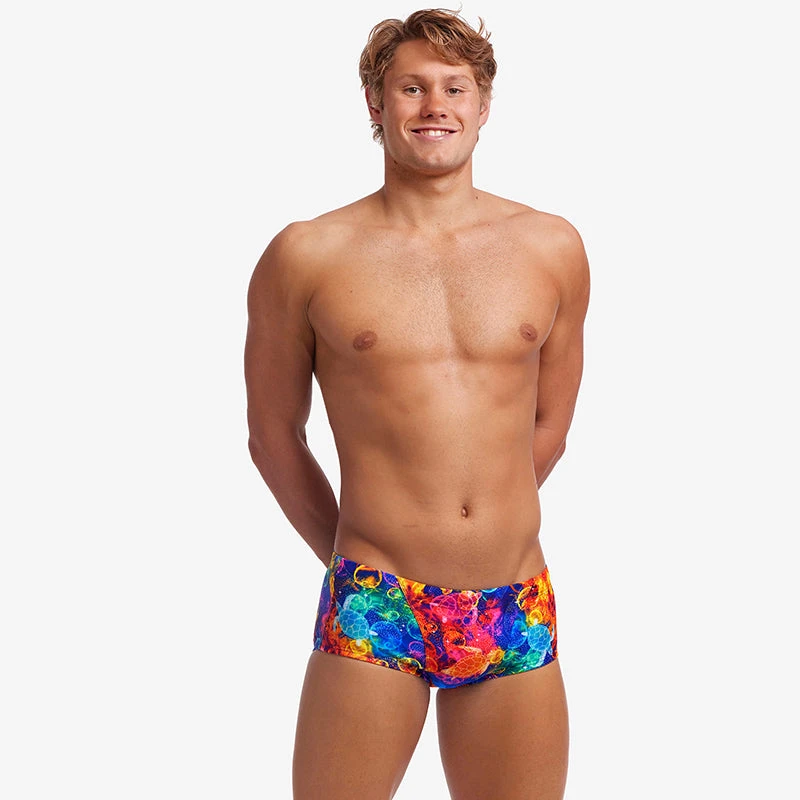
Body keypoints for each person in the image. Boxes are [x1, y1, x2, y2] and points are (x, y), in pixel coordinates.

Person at [244, 8, 590, 799]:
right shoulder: (307, 253)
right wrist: (356, 558)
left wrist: (476, 523)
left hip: (511, 599)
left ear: (483, 105)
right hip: (379, 600)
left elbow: (551, 424)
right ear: (376, 101)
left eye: (454, 88)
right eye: (411, 88)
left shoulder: (552, 247)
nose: (435, 105)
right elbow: (272, 434)